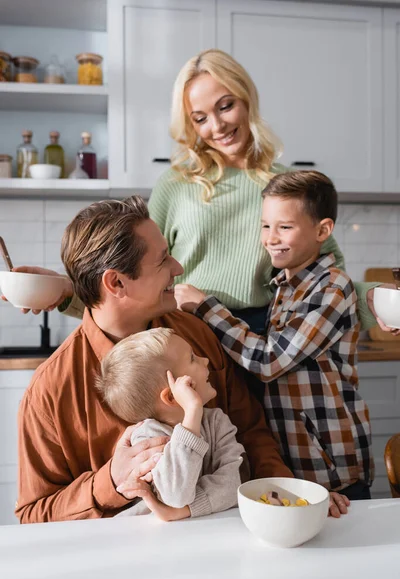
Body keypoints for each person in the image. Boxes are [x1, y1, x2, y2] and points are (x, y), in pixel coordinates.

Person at [15, 195, 303, 524]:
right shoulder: (51, 391)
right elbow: (33, 516)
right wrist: (109, 482)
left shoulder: (196, 334)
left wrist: (288, 498)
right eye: (163, 259)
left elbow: (251, 432)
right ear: (116, 282)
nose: (178, 268)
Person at [147, 48, 386, 335]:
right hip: (186, 330)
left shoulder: (285, 183)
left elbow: (325, 274)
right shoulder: (174, 184)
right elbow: (141, 268)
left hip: (260, 334)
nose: (217, 125)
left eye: (225, 106)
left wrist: (370, 296)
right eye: (200, 119)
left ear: (246, 98)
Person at [174, 171, 374, 500]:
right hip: (294, 463)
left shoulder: (332, 287)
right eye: (266, 226)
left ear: (322, 230)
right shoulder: (283, 287)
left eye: (285, 227)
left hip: (331, 466)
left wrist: (206, 307)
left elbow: (270, 359)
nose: (271, 238)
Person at [98, 327, 247, 521]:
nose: (206, 360)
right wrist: (192, 412)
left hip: (209, 530)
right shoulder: (147, 437)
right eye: (192, 358)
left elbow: (235, 483)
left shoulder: (217, 422)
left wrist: (185, 511)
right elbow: (176, 495)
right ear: (171, 396)